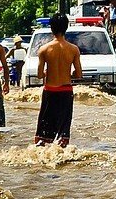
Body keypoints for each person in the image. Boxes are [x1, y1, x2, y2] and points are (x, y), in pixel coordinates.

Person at [34, 13, 82, 147]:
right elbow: (79, 74)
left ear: (51, 28)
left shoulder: (44, 49)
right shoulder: (73, 49)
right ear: (66, 27)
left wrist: (47, 72)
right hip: (66, 91)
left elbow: (39, 75)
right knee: (63, 131)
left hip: (50, 91)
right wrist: (68, 74)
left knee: (43, 131)